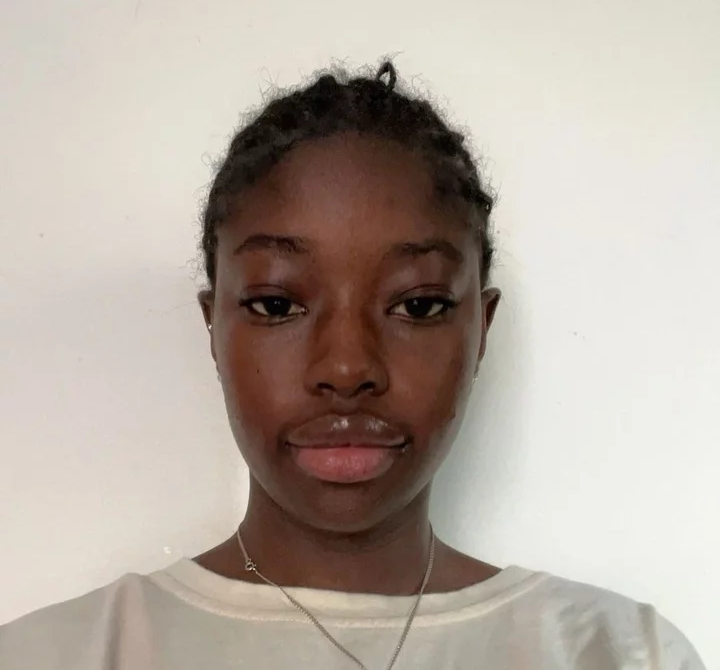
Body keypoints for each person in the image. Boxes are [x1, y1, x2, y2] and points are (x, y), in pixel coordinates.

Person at [0, 61, 706, 669]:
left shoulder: (618, 653)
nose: (345, 368)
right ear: (213, 327)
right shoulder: (58, 655)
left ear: (481, 330)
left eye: (419, 305)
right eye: (277, 304)